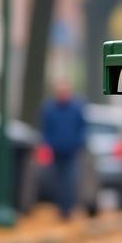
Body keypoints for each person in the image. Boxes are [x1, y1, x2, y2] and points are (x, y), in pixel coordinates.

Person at [40, 82, 87, 219]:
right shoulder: (49, 109)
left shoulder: (77, 108)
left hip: (71, 152)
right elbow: (45, 129)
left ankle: (68, 209)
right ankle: (60, 209)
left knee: (70, 182)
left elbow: (82, 128)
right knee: (56, 182)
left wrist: (78, 143)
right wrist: (47, 145)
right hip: (55, 152)